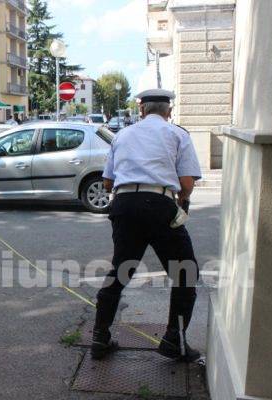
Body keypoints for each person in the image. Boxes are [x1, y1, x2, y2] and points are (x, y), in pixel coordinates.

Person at [91, 89, 202, 363]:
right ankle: (173, 341)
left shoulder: (123, 135)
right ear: (169, 112)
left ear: (141, 111)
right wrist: (179, 200)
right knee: (185, 272)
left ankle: (99, 338)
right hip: (159, 205)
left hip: (124, 205)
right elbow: (186, 185)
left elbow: (107, 183)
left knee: (121, 270)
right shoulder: (178, 134)